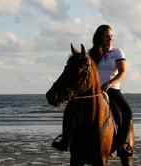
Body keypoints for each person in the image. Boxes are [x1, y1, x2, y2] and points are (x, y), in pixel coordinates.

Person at [52, 24, 133, 156]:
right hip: (92, 92)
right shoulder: (90, 54)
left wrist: (110, 83)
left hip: (112, 90)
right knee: (69, 108)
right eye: (107, 36)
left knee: (127, 112)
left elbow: (123, 72)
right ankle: (65, 141)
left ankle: (121, 144)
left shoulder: (117, 52)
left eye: (112, 36)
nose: (110, 39)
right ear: (100, 37)